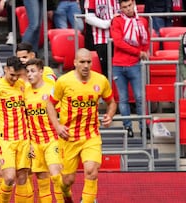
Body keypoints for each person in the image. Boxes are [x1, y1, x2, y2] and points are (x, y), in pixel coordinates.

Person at [46, 48, 117, 203]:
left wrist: (109, 115)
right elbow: (50, 105)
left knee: (91, 171)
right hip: (68, 137)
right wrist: (57, 126)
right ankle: (67, 195)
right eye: (82, 62)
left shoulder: (101, 80)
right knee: (67, 181)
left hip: (91, 135)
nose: (85, 65)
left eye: (88, 62)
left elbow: (111, 102)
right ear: (75, 63)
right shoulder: (63, 81)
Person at [0, 56, 33, 202]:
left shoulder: (22, 85)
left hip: (23, 138)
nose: (14, 78)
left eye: (17, 75)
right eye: (12, 75)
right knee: (9, 177)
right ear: (5, 69)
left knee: (23, 176)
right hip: (5, 139)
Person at [24, 58, 64, 203]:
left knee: (55, 174)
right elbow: (23, 119)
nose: (29, 74)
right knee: (42, 179)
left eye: (33, 71)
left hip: (52, 140)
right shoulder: (24, 92)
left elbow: (61, 114)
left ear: (41, 72)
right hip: (34, 142)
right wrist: (28, 143)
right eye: (27, 71)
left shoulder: (51, 90)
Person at [110, 0, 149, 137]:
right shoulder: (116, 21)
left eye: (129, 6)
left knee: (139, 97)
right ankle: (127, 127)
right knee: (123, 98)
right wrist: (138, 52)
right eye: (124, 7)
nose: (128, 9)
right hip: (119, 65)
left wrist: (143, 51)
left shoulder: (143, 21)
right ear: (120, 8)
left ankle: (144, 127)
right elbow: (119, 43)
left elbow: (145, 41)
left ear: (134, 4)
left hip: (134, 64)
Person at [85, 0, 120, 77]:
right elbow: (89, 17)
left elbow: (132, 11)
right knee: (105, 71)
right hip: (102, 39)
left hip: (122, 39)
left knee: (122, 71)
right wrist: (108, 23)